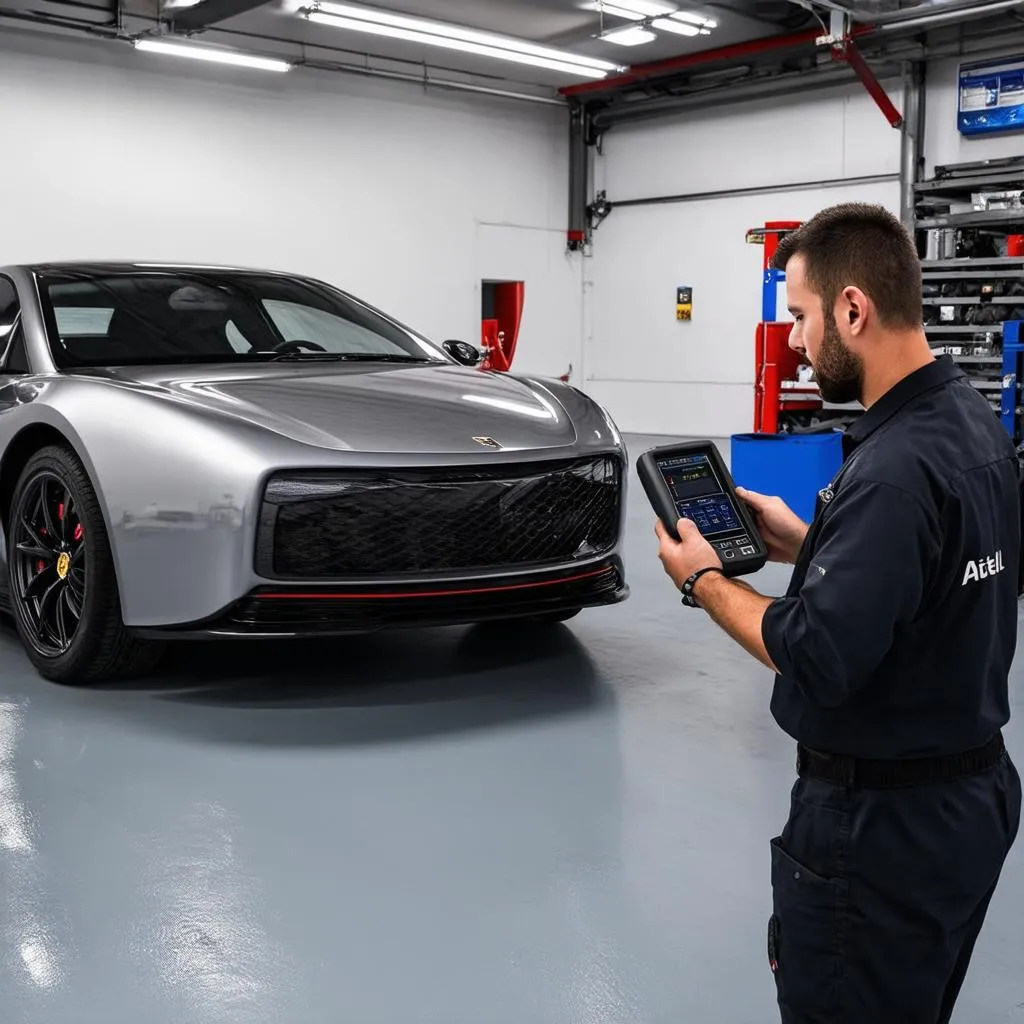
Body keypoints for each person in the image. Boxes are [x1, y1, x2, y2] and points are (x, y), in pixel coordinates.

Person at [654, 202, 1022, 1023]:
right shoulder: (971, 428)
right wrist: (811, 542)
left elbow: (816, 652)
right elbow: (935, 576)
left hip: (879, 833)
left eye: (800, 315)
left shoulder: (893, 471)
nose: (790, 339)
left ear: (852, 310)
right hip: (969, 806)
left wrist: (707, 581)